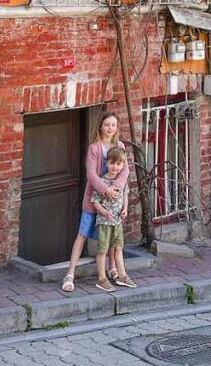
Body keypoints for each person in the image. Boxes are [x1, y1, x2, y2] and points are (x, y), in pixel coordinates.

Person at [61, 111, 129, 293]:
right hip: (95, 200)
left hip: (113, 202)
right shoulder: (94, 148)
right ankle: (70, 274)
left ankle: (113, 270)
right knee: (82, 234)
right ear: (100, 126)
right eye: (107, 125)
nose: (110, 128)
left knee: (112, 237)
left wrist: (116, 188)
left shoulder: (120, 145)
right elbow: (91, 174)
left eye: (113, 125)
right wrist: (105, 189)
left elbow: (125, 171)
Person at [91, 147, 136, 291]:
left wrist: (125, 209)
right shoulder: (102, 181)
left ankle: (122, 275)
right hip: (105, 222)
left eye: (118, 164)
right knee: (103, 251)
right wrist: (104, 212)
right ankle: (102, 279)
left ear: (123, 165)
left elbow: (125, 195)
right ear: (107, 163)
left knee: (118, 248)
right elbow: (95, 201)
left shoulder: (121, 181)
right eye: (112, 163)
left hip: (117, 222)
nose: (115, 167)